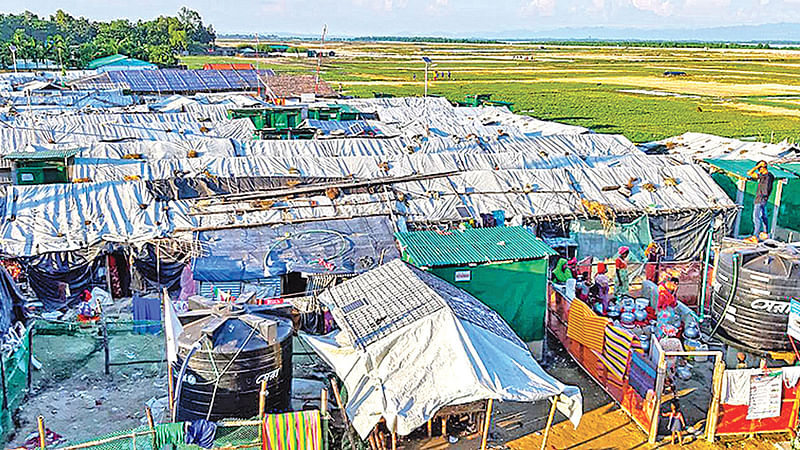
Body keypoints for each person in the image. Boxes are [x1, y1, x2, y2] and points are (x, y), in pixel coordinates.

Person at [747, 160, 775, 238]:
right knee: (763, 216)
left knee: (756, 217)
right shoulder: (768, 176)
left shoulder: (766, 176)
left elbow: (749, 173)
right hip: (763, 198)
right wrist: (759, 166)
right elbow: (749, 173)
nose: (759, 170)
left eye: (760, 169)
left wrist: (758, 166)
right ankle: (765, 232)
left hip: (760, 198)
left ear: (762, 168)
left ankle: (755, 235)